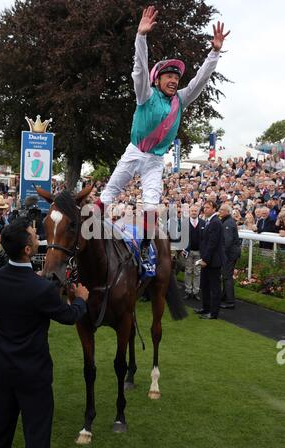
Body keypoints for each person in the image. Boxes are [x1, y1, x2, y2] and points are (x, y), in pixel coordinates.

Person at [96, 5, 230, 261]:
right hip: (135, 152)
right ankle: (85, 238)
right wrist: (141, 37)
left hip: (155, 160)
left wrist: (214, 52)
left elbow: (200, 79)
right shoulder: (145, 93)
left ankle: (145, 248)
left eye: (176, 77)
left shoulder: (181, 98)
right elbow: (139, 69)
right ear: (157, 79)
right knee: (108, 194)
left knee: (151, 205)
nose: (174, 80)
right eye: (168, 76)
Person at [0, 218, 89, 448]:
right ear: (28, 250)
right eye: (34, 235)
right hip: (34, 375)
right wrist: (81, 299)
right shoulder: (42, 289)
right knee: (37, 436)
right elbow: (69, 316)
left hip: (2, 371)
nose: (38, 235)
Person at [196, 201, 225, 320]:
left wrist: (205, 260)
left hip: (213, 261)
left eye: (208, 207)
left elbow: (212, 244)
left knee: (214, 288)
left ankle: (213, 313)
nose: (205, 210)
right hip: (207, 259)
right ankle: (206, 308)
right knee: (205, 286)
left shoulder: (215, 222)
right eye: (204, 207)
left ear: (214, 209)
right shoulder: (209, 222)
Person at [219, 204, 241, 309]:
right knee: (225, 275)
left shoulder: (228, 223)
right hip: (231, 253)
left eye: (223, 210)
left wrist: (221, 254)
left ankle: (230, 301)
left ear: (228, 212)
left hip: (230, 254)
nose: (220, 211)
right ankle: (224, 296)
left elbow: (227, 241)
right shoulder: (226, 221)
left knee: (227, 276)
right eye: (220, 210)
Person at [183, 205, 205, 301]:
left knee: (197, 272)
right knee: (188, 271)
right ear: (189, 211)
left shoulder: (203, 223)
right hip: (188, 252)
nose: (194, 212)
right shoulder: (184, 223)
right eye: (192, 210)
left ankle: (195, 292)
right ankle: (188, 291)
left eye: (195, 211)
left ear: (198, 212)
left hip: (199, 253)